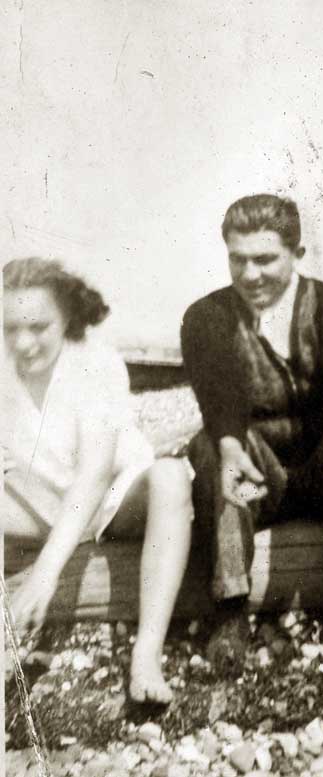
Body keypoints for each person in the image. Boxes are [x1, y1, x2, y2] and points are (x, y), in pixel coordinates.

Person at [181, 193, 323, 676]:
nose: (250, 274)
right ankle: (231, 611)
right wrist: (230, 446)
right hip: (259, 485)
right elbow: (219, 396)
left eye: (265, 259)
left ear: (297, 255)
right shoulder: (207, 316)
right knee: (214, 449)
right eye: (238, 260)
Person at [3, 258, 194, 705]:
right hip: (42, 505)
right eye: (11, 328)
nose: (24, 343)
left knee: (170, 477)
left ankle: (146, 656)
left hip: (113, 498)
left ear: (67, 318)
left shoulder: (95, 361)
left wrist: (45, 573)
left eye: (39, 327)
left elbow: (95, 474)